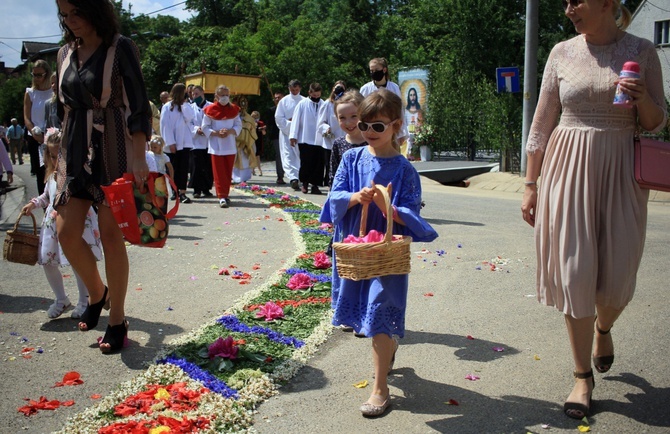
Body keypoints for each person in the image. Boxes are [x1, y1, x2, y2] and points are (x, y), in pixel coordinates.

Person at [520, 0, 667, 420]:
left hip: (621, 167)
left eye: (575, 1)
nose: (568, 9)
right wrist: (530, 184)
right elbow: (542, 121)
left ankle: (604, 329)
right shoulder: (561, 52)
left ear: (606, 3)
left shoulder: (642, 50)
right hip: (567, 166)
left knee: (617, 277)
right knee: (575, 272)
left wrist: (641, 100)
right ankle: (582, 375)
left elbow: (658, 121)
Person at [319, 89, 438, 417]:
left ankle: (380, 388)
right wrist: (357, 197)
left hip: (387, 250)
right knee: (367, 316)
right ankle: (389, 350)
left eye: (378, 127)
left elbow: (412, 213)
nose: (368, 132)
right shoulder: (351, 159)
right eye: (364, 125)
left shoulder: (404, 170)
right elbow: (334, 198)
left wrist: (388, 204)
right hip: (357, 249)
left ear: (396, 125)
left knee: (380, 308)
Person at [54, 0, 152, 353]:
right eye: (65, 15)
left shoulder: (120, 47)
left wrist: (139, 157)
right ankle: (99, 293)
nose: (70, 20)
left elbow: (138, 104)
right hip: (74, 149)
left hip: (113, 147)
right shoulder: (64, 52)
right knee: (65, 232)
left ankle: (117, 319)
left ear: (93, 8)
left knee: (112, 237)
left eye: (75, 12)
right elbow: (61, 103)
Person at [21, 129, 102, 320]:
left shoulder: (76, 175)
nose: (56, 158)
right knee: (47, 262)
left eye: (60, 154)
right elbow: (46, 196)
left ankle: (84, 300)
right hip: (53, 224)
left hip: (75, 221)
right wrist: (34, 204)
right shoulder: (51, 175)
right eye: (52, 154)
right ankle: (61, 298)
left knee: (77, 260)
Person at [202, 84, 242, 208]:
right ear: (216, 96)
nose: (224, 97)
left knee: (228, 171)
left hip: (229, 144)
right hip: (216, 145)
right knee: (219, 172)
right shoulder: (209, 110)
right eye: (222, 95)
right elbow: (205, 127)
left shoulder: (234, 109)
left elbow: (238, 125)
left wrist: (229, 131)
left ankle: (226, 193)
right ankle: (221, 196)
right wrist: (216, 133)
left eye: (226, 95)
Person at [360, 58, 408, 156]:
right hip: (371, 130)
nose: (374, 73)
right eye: (371, 71)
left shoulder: (394, 87)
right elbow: (360, 112)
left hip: (390, 130)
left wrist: (402, 132)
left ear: (384, 70)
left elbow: (400, 110)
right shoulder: (365, 89)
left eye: (376, 70)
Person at [160, 83, 195, 204]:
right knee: (173, 169)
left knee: (183, 168)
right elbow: (165, 126)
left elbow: (190, 117)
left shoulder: (186, 106)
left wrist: (184, 104)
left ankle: (183, 192)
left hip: (184, 143)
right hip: (173, 143)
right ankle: (174, 191)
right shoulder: (167, 107)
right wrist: (170, 142)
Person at [24, 59, 53, 194]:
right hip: (35, 137)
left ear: (46, 74)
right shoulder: (30, 92)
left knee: (54, 171)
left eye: (39, 75)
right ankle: (43, 205)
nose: (36, 78)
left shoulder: (53, 91)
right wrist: (34, 132)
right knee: (40, 174)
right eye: (34, 74)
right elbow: (27, 117)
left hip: (52, 136)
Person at [290, 82, 324, 194]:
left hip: (319, 139)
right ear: (309, 93)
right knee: (306, 162)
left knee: (318, 163)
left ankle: (315, 185)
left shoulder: (323, 104)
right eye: (314, 96)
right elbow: (295, 120)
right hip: (305, 137)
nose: (316, 98)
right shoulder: (302, 104)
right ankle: (305, 183)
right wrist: (293, 136)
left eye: (318, 96)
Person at [328, 90, 366, 188]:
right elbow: (333, 176)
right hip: (346, 199)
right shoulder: (338, 144)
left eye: (354, 116)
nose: (348, 122)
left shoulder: (373, 141)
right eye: (342, 118)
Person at [275, 79, 304, 191]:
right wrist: (291, 124)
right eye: (292, 90)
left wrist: (298, 124)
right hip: (286, 133)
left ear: (300, 88)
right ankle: (293, 178)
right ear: (289, 89)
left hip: (301, 133)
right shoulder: (284, 101)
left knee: (299, 155)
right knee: (288, 155)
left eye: (296, 90)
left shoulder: (304, 101)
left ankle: (300, 177)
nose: (294, 92)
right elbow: (278, 117)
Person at [317, 81, 346, 187]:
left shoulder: (347, 104)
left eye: (341, 89)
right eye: (337, 88)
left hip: (345, 140)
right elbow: (320, 123)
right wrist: (326, 128)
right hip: (331, 140)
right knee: (331, 166)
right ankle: (331, 186)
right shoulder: (328, 104)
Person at [189, 85, 214, 198]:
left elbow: (215, 121)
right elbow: (189, 123)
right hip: (197, 141)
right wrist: (196, 130)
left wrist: (207, 130)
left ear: (203, 93)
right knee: (197, 166)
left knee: (208, 165)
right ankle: (196, 189)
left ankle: (206, 188)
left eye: (197, 94)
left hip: (209, 140)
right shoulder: (190, 108)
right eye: (193, 94)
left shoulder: (211, 106)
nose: (195, 96)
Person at [232, 96, 258, 184]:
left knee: (245, 158)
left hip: (246, 142)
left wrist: (247, 139)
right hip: (233, 141)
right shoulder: (231, 115)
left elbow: (253, 131)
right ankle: (233, 177)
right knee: (234, 159)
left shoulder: (249, 118)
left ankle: (244, 177)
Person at [264, 91, 285, 184]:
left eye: (279, 97)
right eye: (275, 98)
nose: (277, 99)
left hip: (289, 135)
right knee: (279, 156)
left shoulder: (288, 109)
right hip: (277, 136)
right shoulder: (271, 110)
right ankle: (280, 176)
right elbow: (269, 124)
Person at [250, 110, 265, 176]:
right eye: (253, 117)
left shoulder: (261, 123)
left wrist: (262, 129)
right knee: (252, 155)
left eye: (256, 117)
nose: (255, 118)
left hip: (258, 140)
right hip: (251, 140)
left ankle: (259, 170)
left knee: (257, 156)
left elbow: (264, 133)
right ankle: (252, 170)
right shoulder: (249, 123)